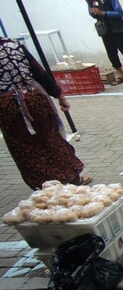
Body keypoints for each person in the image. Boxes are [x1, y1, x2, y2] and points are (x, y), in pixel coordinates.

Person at [0, 38, 90, 190]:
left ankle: (46, 186)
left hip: (8, 107)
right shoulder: (13, 43)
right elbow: (39, 72)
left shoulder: (12, 43)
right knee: (51, 140)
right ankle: (70, 180)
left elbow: (38, 71)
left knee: (28, 148)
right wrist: (59, 95)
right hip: (32, 98)